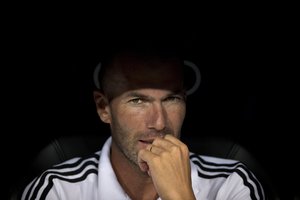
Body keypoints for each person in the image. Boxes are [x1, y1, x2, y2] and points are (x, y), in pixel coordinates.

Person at [21, 38, 265, 200]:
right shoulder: (59, 190)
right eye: (138, 101)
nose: (159, 123)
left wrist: (179, 196)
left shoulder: (231, 184)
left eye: (172, 99)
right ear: (103, 108)